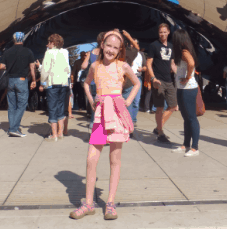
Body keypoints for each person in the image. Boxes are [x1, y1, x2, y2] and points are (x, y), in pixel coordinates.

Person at [69, 30, 139, 220]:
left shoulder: (122, 66)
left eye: (115, 48)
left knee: (114, 159)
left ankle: (110, 203)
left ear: (119, 50)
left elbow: (136, 83)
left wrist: (128, 101)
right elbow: (86, 83)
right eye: (108, 45)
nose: (111, 50)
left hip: (116, 114)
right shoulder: (95, 65)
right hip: (100, 115)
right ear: (102, 45)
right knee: (91, 159)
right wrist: (92, 100)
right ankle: (89, 203)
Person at [0, 32, 36, 137]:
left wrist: (10, 66)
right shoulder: (28, 52)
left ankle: (12, 128)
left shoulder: (8, 52)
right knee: (22, 105)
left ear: (13, 39)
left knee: (11, 106)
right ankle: (14, 128)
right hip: (22, 80)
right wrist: (33, 80)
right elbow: (32, 67)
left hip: (10, 80)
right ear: (23, 39)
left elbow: (1, 66)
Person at [170, 29, 201, 157]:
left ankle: (195, 147)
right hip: (182, 88)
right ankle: (186, 144)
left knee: (191, 117)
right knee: (186, 118)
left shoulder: (184, 51)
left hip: (189, 88)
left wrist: (188, 76)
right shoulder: (182, 52)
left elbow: (191, 63)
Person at [147, 23, 175, 144]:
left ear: (168, 32)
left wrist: (180, 75)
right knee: (159, 107)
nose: (162, 34)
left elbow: (172, 64)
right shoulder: (154, 45)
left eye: (164, 32)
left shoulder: (171, 46)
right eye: (160, 32)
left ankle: (158, 127)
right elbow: (148, 64)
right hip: (158, 80)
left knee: (173, 106)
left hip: (169, 80)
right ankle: (160, 133)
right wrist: (153, 78)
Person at [39, 34, 71, 141]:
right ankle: (60, 132)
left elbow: (45, 69)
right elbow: (68, 68)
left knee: (52, 108)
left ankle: (54, 135)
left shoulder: (48, 53)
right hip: (63, 83)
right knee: (61, 108)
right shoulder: (65, 52)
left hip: (52, 84)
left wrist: (43, 81)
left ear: (53, 42)